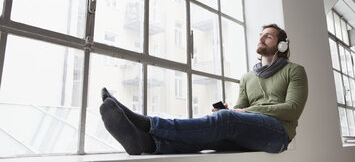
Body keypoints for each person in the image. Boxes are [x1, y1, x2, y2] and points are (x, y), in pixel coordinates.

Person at [99, 24, 308, 155]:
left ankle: (146, 123)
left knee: (227, 120)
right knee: (210, 136)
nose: (261, 38)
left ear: (281, 45)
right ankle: (146, 143)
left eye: (268, 36)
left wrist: (238, 114)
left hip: (278, 134)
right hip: (251, 131)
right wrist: (229, 111)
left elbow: (292, 109)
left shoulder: (295, 71)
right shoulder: (247, 78)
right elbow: (240, 109)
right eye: (260, 34)